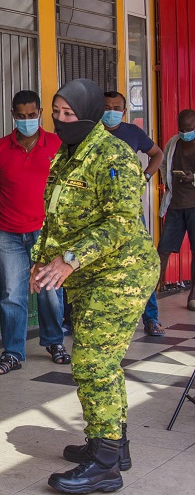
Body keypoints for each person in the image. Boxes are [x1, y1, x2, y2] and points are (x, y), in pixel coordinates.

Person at [31, 78, 158, 495]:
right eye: (57, 112)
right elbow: (52, 219)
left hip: (122, 271)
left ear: (88, 114)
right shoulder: (64, 157)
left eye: (69, 114)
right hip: (87, 274)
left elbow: (121, 223)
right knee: (100, 361)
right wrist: (39, 264)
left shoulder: (113, 154)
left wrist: (68, 260)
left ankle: (105, 464)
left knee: (92, 360)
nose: (59, 120)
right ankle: (113, 445)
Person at [0, 90, 67, 374]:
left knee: (50, 291)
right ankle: (13, 352)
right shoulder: (1, 148)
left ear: (40, 113)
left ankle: (54, 342)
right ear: (13, 115)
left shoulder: (56, 144)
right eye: (21, 115)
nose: (27, 120)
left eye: (32, 115)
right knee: (12, 294)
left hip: (47, 233)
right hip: (7, 233)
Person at [103, 91, 166, 335]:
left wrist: (146, 176)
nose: (111, 111)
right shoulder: (90, 134)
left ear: (124, 110)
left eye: (116, 107)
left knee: (141, 263)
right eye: (106, 107)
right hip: (97, 211)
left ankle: (151, 318)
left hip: (129, 210)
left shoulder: (132, 133)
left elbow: (158, 154)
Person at [157, 109, 195, 312]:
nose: (184, 132)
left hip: (194, 205)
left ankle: (193, 295)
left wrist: (193, 178)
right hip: (175, 205)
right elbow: (163, 163)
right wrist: (168, 182)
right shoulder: (173, 142)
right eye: (181, 129)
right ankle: (151, 293)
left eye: (188, 129)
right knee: (163, 250)